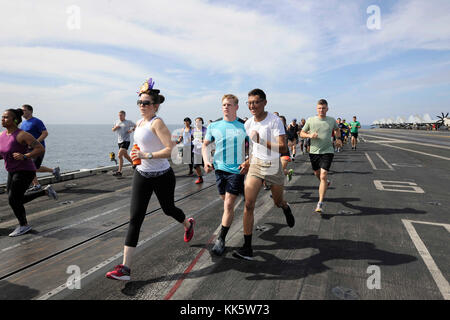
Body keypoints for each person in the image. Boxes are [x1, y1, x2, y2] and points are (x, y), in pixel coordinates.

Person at [106, 79, 195, 281]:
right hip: (142, 175)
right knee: (135, 219)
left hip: (162, 176)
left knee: (168, 209)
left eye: (146, 103)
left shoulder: (157, 123)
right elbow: (140, 146)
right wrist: (137, 153)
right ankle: (125, 269)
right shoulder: (139, 123)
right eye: (139, 102)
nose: (142, 106)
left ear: (155, 106)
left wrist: (147, 156)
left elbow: (170, 150)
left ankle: (188, 225)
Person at [233, 89, 295, 261]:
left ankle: (285, 206)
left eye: (256, 102)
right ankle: (247, 248)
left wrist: (262, 140)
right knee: (249, 204)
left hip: (274, 165)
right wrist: (247, 161)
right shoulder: (248, 124)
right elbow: (253, 148)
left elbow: (283, 148)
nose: (252, 106)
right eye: (250, 102)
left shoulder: (274, 121)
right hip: (256, 165)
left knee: (277, 202)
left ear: (264, 102)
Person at [202, 94, 249, 256]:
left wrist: (248, 161)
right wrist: (206, 160)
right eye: (223, 105)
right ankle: (243, 192)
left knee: (228, 205)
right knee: (225, 201)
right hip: (219, 170)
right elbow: (205, 145)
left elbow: (256, 146)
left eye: (229, 105)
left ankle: (221, 239)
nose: (225, 107)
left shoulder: (245, 126)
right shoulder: (214, 126)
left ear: (236, 107)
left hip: (236, 171)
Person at [0, 109, 58, 237]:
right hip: (12, 170)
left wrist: (25, 156)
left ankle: (24, 225)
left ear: (15, 120)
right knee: (15, 199)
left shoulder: (23, 135)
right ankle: (45, 191)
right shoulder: (2, 135)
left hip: (26, 170)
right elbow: (3, 153)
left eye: (6, 117)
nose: (2, 119)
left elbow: (40, 149)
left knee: (13, 199)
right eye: (2, 117)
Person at [300, 99, 341, 213]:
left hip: (328, 151)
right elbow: (302, 133)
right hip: (314, 151)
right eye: (319, 108)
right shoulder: (310, 120)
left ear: (327, 109)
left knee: (323, 175)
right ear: (316, 109)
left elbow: (337, 130)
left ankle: (320, 203)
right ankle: (326, 183)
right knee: (317, 174)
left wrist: (338, 139)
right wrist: (309, 135)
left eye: (323, 108)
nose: (321, 110)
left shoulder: (332, 120)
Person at [20, 104, 60, 191]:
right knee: (33, 167)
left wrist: (35, 143)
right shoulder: (23, 123)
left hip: (38, 148)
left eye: (24, 110)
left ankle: (37, 185)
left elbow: (45, 133)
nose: (22, 112)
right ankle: (53, 171)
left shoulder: (37, 121)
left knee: (31, 167)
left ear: (30, 111)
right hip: (27, 149)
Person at [112, 110, 136, 176]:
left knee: (119, 155)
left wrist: (131, 130)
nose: (120, 117)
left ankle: (119, 171)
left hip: (126, 141)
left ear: (124, 115)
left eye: (121, 115)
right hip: (119, 141)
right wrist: (115, 128)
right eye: (119, 115)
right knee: (125, 156)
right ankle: (134, 164)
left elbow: (136, 126)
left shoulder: (128, 122)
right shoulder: (117, 122)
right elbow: (113, 130)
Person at [279, 115, 294, 182]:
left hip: (285, 153)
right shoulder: (272, 132)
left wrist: (291, 143)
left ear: (284, 122)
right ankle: (288, 173)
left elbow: (293, 139)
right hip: (275, 154)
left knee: (280, 170)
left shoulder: (287, 132)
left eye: (281, 121)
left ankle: (277, 186)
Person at [192, 117, 207, 184]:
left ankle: (221, 176)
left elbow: (209, 139)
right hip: (196, 150)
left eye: (199, 121)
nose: (197, 123)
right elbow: (192, 137)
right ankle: (200, 178)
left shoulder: (205, 130)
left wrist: (202, 140)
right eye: (196, 122)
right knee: (196, 166)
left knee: (206, 166)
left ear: (202, 122)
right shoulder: (193, 130)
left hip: (204, 151)